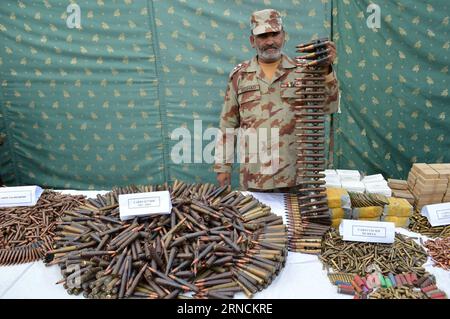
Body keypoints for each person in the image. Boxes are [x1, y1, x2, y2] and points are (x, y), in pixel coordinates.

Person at [214, 9, 339, 192]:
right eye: (263, 36)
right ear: (252, 41)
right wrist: (223, 167)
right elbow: (228, 124)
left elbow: (329, 106)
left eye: (275, 34)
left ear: (284, 36)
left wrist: (326, 69)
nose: (270, 41)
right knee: (257, 220)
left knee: (295, 221)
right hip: (255, 177)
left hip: (296, 176)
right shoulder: (240, 76)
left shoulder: (303, 71)